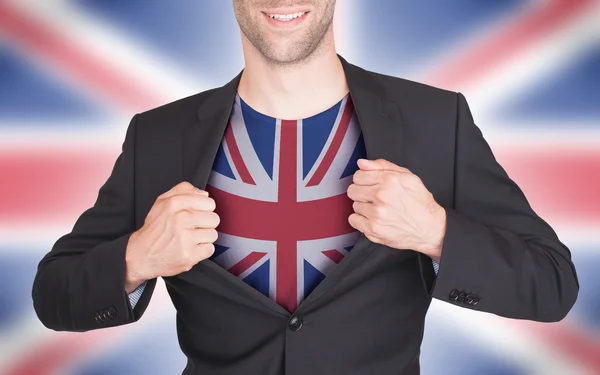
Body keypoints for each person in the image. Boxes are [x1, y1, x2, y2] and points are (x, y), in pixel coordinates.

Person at [31, 1, 579, 374]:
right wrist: (137, 257)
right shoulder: (158, 135)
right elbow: (54, 294)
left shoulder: (436, 121)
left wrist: (437, 233)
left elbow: (552, 284)